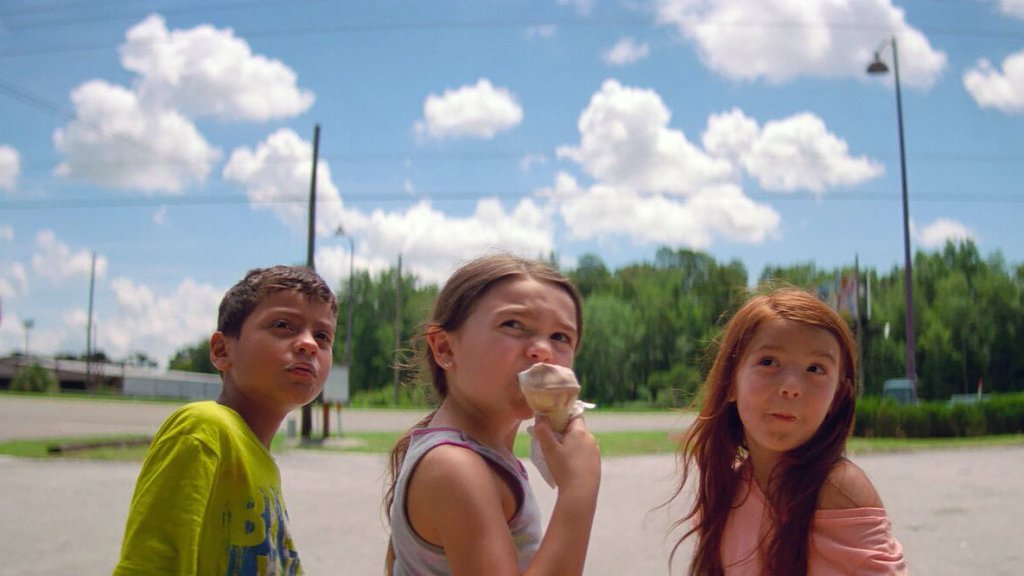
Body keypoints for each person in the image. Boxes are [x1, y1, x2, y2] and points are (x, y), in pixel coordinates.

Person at [384, 253, 601, 576]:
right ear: (445, 348)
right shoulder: (454, 466)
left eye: (561, 337)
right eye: (513, 324)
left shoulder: (479, 456)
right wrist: (579, 489)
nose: (543, 350)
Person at [114, 265, 338, 575]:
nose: (309, 344)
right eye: (283, 325)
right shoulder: (203, 428)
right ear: (222, 350)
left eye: (323, 336)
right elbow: (152, 565)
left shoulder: (259, 460)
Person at [668, 286, 906, 575]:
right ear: (730, 382)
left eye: (815, 368)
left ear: (837, 397)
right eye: (769, 362)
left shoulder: (835, 487)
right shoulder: (725, 491)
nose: (791, 387)